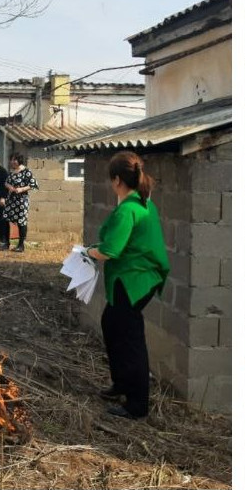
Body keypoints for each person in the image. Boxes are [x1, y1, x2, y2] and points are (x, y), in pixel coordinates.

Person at [86, 151, 170, 421]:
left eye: (112, 181)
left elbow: (111, 250)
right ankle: (121, 383)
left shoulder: (128, 210)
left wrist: (87, 252)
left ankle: (137, 404)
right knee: (111, 323)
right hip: (138, 277)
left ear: (117, 180)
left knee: (130, 337)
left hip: (133, 280)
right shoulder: (144, 203)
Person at [0, 152, 39, 252]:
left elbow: (33, 184)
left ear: (19, 161)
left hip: (22, 200)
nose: (12, 162)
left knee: (21, 221)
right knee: (5, 218)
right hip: (11, 199)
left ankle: (21, 245)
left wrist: (22, 189)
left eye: (14, 160)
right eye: (11, 159)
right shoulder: (12, 172)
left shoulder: (26, 171)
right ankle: (6, 243)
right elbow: (6, 183)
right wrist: (10, 187)